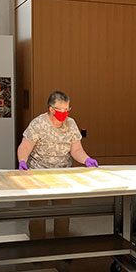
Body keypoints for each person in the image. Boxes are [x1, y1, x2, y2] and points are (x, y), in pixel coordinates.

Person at [17, 91, 99, 238]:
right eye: (61, 110)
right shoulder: (38, 124)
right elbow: (24, 146)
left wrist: (86, 159)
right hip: (39, 174)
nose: (64, 113)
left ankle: (62, 247)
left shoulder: (71, 123)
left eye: (67, 109)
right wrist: (22, 160)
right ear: (51, 109)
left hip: (63, 175)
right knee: (38, 213)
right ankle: (37, 247)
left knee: (63, 212)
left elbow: (76, 149)